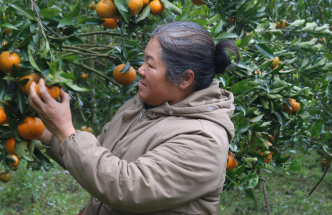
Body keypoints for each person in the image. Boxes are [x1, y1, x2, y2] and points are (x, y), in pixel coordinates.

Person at [28, 21, 240, 215]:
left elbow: (125, 187)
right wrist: (50, 133)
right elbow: (97, 156)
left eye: (151, 64)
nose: (140, 70)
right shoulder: (142, 106)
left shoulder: (203, 139)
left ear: (185, 78)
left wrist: (66, 130)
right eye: (143, 60)